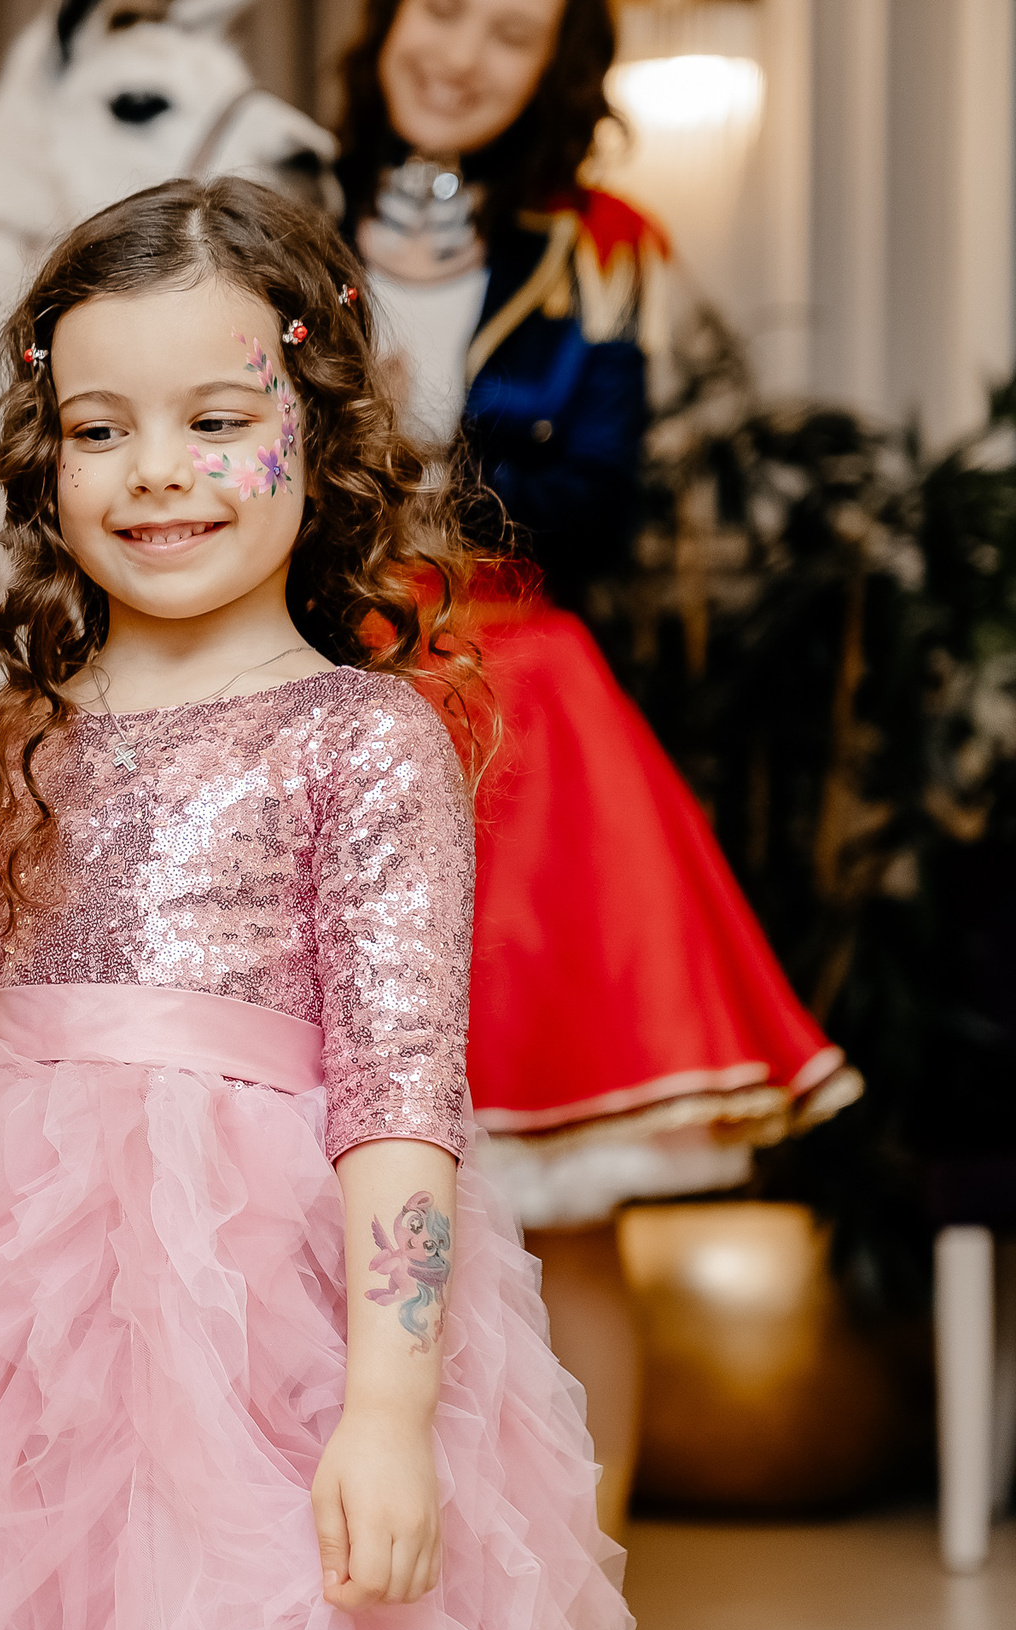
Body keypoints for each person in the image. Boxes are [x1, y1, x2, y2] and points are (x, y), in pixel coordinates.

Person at [0, 177, 633, 1630]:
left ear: (320, 433)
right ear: (44, 449)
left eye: (218, 420)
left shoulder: (362, 740)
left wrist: (390, 1416)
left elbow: (402, 1097)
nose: (158, 476)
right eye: (98, 428)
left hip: (271, 1357)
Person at [335, 0, 854, 1537]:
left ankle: (580, 1596)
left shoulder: (599, 244)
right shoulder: (276, 204)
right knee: (315, 1178)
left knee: (565, 1208)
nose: (460, 57)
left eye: (511, 34)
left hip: (524, 725)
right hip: (319, 699)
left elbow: (600, 493)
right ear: (380, 23)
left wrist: (397, 498)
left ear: (555, 72)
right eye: (440, 11)